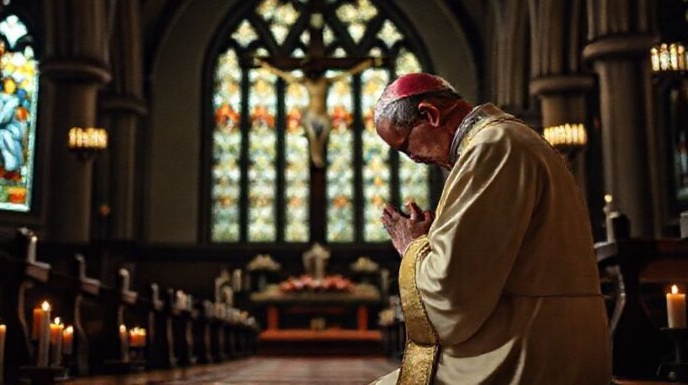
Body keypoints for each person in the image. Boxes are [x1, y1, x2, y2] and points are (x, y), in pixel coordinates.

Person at [370, 73, 611, 384]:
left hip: (527, 346)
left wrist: (412, 247)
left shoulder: (493, 147)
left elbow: (452, 297)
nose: (414, 159)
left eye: (406, 147)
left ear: (429, 114)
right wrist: (431, 242)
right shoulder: (503, 140)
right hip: (543, 336)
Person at [255, 57, 381, 167]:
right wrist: (265, 65)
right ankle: (316, 156)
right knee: (313, 137)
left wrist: (367, 64)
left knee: (322, 137)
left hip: (322, 115)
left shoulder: (325, 81)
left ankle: (318, 156)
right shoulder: (305, 81)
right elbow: (284, 75)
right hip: (311, 114)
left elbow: (348, 73)